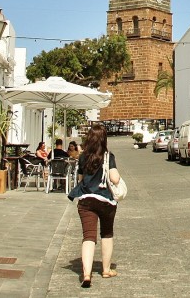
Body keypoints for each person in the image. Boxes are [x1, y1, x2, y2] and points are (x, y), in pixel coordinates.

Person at [68, 123, 121, 288]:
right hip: (105, 201)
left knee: (88, 236)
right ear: (104, 139)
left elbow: (80, 180)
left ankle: (86, 274)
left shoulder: (83, 157)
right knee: (107, 234)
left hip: (86, 200)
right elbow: (115, 179)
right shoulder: (108, 156)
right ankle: (106, 270)